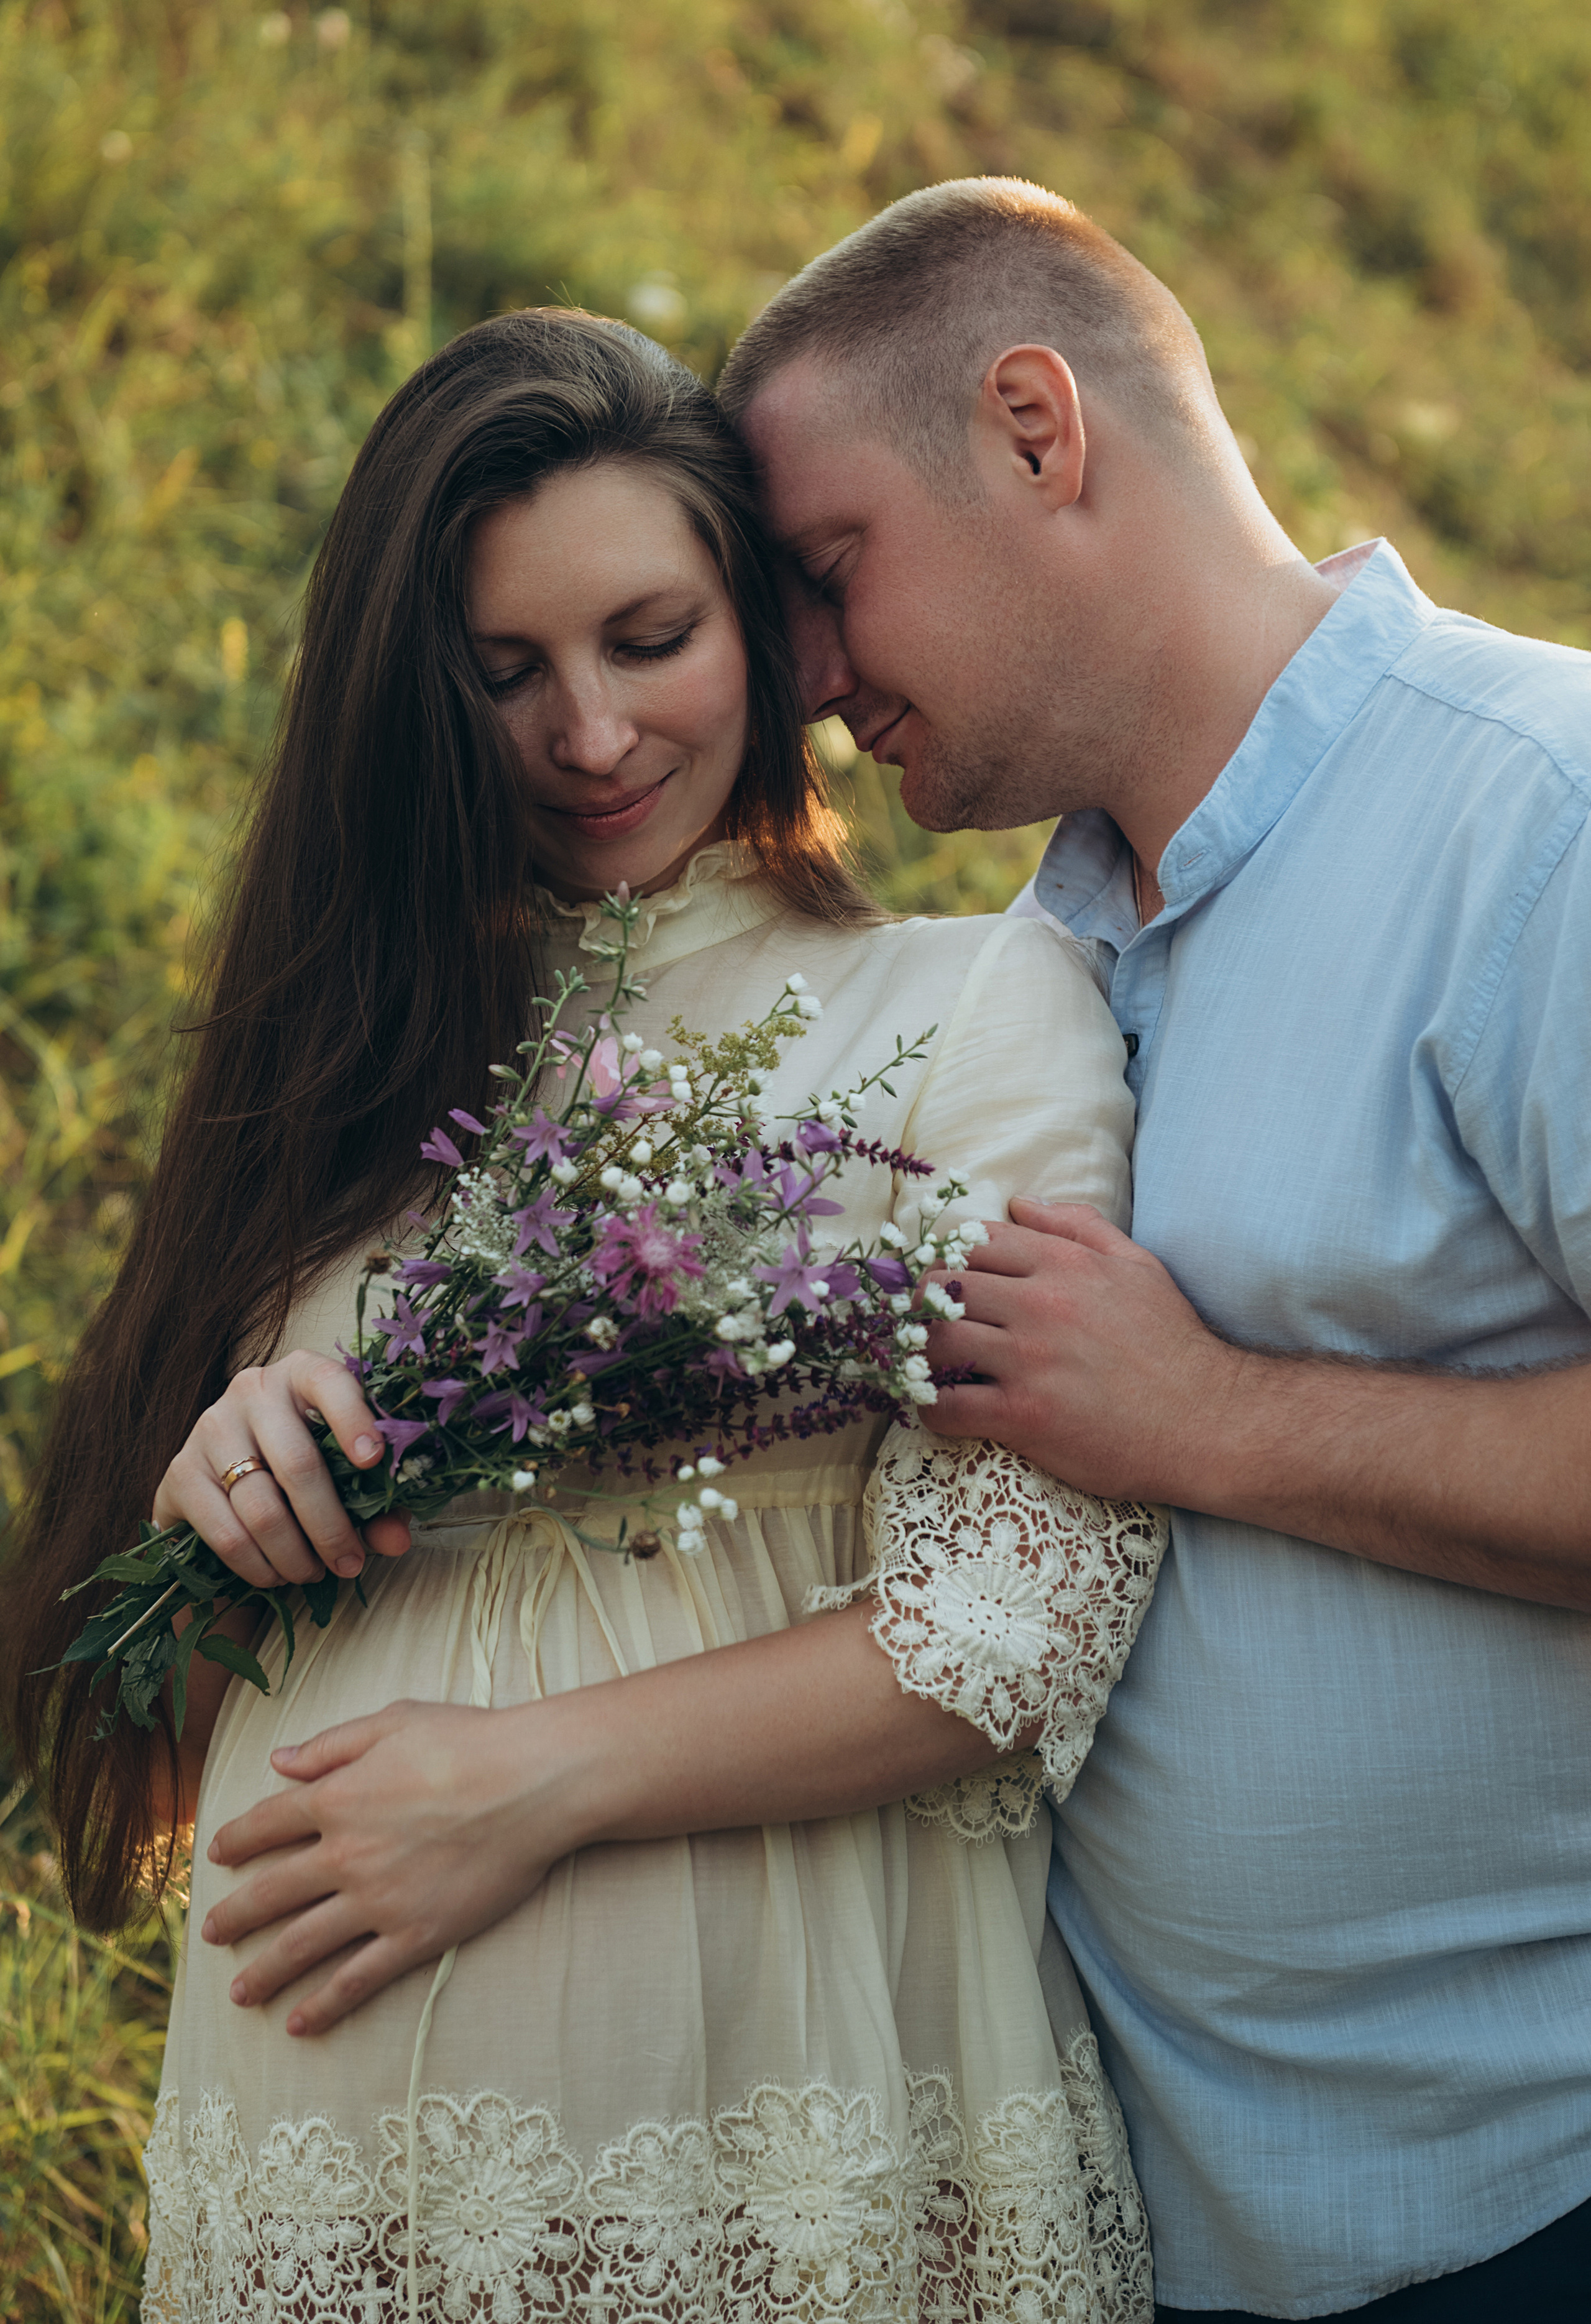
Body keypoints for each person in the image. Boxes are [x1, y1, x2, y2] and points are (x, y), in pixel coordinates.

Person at [2, 309, 1166, 2322]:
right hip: (335, 2182)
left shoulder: (967, 1009)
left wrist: (524, 1781)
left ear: (767, 626)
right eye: (503, 672)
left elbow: (1012, 1624)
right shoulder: (348, 1062)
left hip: (781, 2134)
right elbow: (154, 1756)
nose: (592, 734)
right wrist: (213, 1524)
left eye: (650, 638)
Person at [715, 180, 1591, 2320]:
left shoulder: (1534, 817)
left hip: (1532, 2202)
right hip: (1159, 2231)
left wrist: (1210, 1415)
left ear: (1037, 427)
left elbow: (1169, 1422)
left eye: (829, 574)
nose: (811, 688)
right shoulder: (1029, 965)